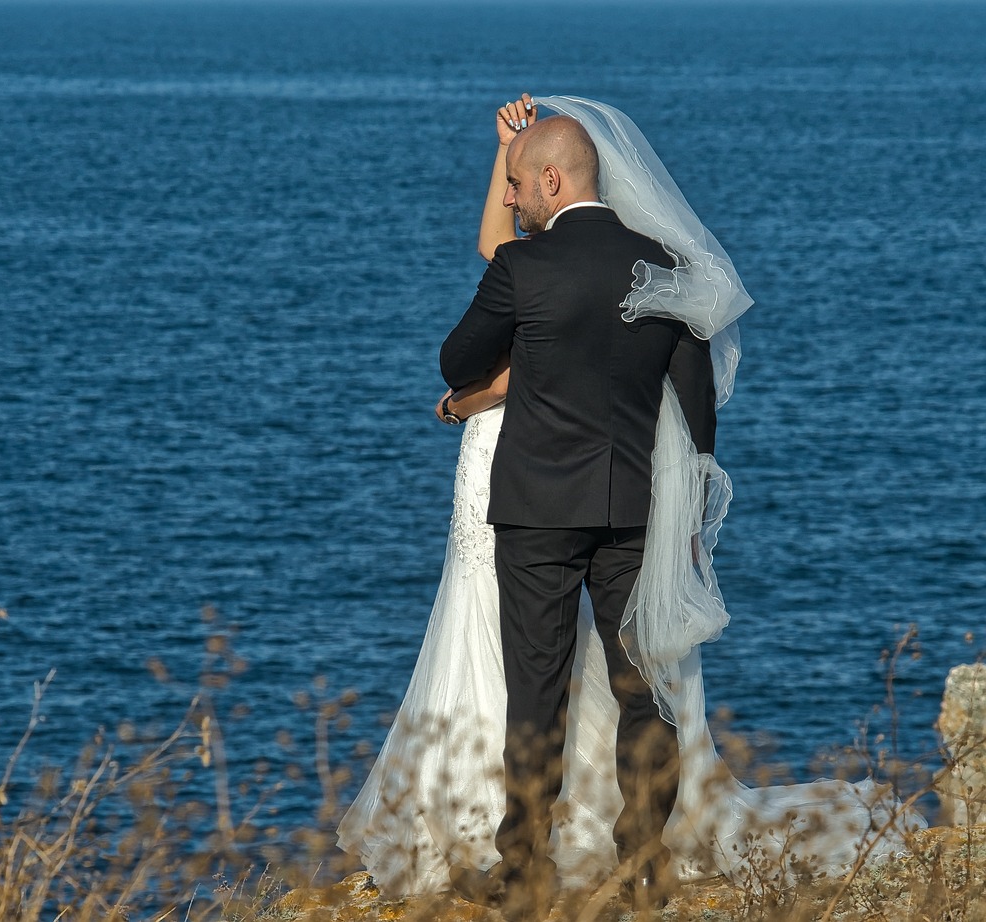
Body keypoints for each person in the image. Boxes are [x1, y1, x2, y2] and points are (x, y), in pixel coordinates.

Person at [336, 94, 923, 913]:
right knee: (642, 687)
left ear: (551, 178)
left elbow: (456, 359)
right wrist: (688, 514)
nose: (513, 200)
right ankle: (645, 862)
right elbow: (695, 408)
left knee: (536, 691)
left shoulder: (523, 269)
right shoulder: (666, 265)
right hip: (637, 509)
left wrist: (491, 381)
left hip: (537, 508)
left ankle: (526, 870)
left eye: (517, 186)